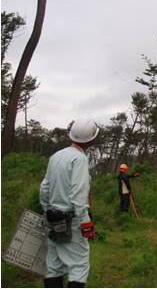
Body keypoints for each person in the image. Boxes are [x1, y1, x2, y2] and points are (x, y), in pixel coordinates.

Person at [39, 119, 99, 288]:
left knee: (54, 266)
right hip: (71, 221)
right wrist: (86, 223)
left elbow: (44, 188)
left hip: (52, 219)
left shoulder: (56, 156)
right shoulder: (79, 159)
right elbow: (78, 196)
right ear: (91, 140)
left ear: (71, 135)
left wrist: (47, 210)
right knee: (79, 266)